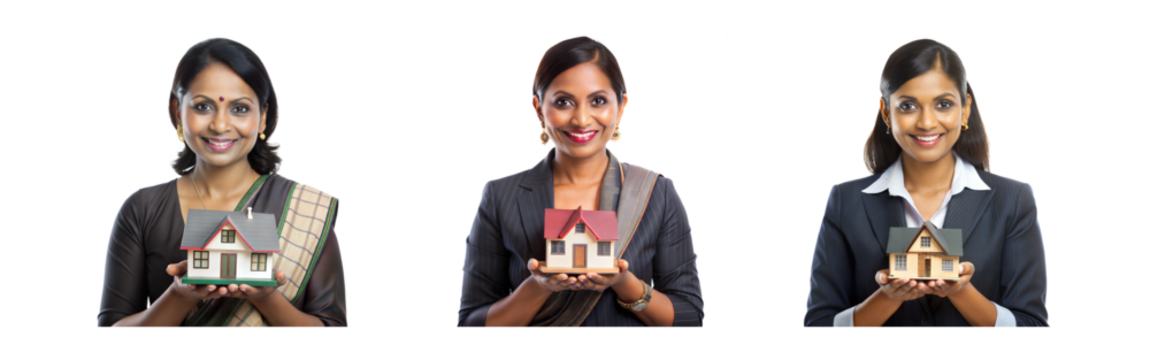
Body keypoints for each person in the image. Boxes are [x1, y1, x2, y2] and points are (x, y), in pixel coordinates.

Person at [96, 37, 346, 329]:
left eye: (239, 109)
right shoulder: (142, 209)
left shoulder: (307, 210)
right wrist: (180, 294)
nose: (220, 125)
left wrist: (267, 298)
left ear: (263, 117)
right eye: (203, 107)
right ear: (178, 110)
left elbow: (333, 327)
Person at [455, 36, 703, 329]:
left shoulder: (656, 192)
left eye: (598, 101)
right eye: (563, 102)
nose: (582, 119)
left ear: (622, 105)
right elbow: (471, 323)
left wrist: (626, 284)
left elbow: (689, 318)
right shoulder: (500, 195)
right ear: (538, 109)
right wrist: (539, 286)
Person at [802, 38, 1049, 329]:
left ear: (965, 108)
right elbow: (818, 324)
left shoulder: (1013, 199)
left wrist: (960, 291)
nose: (927, 123)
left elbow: (1032, 325)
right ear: (885, 113)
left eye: (943, 104)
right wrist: (887, 298)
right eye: (908, 106)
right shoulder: (845, 200)